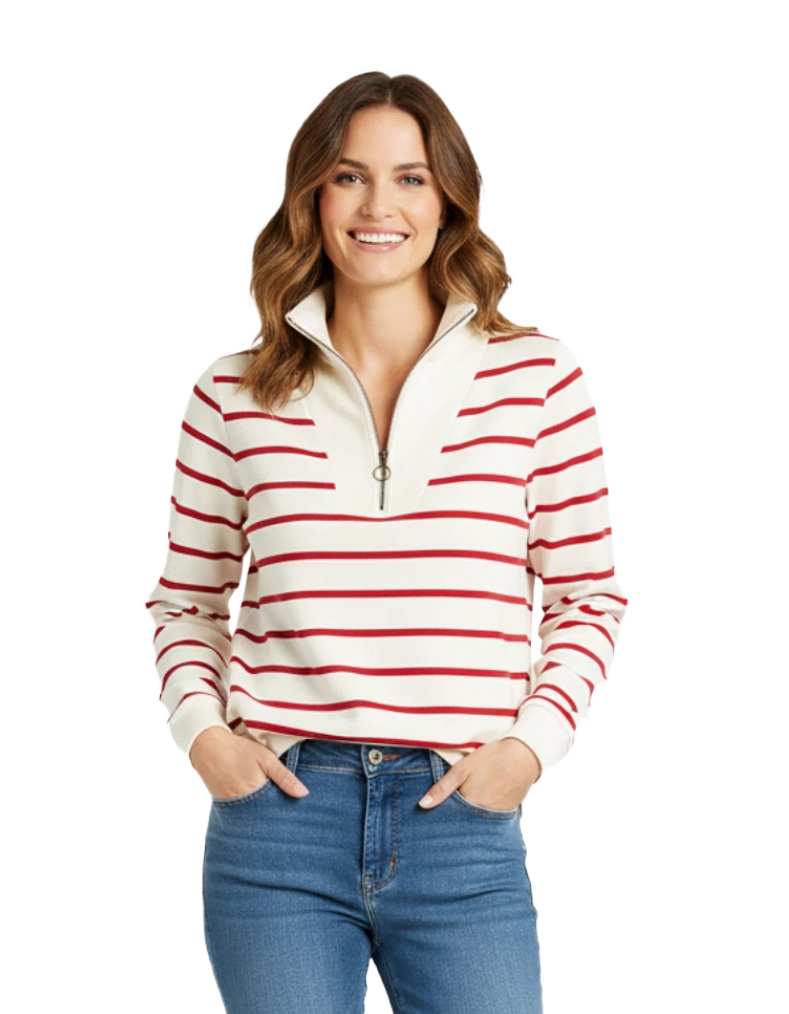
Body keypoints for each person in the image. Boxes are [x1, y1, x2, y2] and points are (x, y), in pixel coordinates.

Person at [145, 71, 628, 1014]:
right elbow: (187, 602)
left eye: (410, 178)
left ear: (449, 201)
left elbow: (587, 595)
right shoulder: (231, 394)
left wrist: (528, 750)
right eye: (348, 176)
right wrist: (204, 737)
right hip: (277, 825)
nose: (378, 206)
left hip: (461, 820)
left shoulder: (536, 379)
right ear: (311, 197)